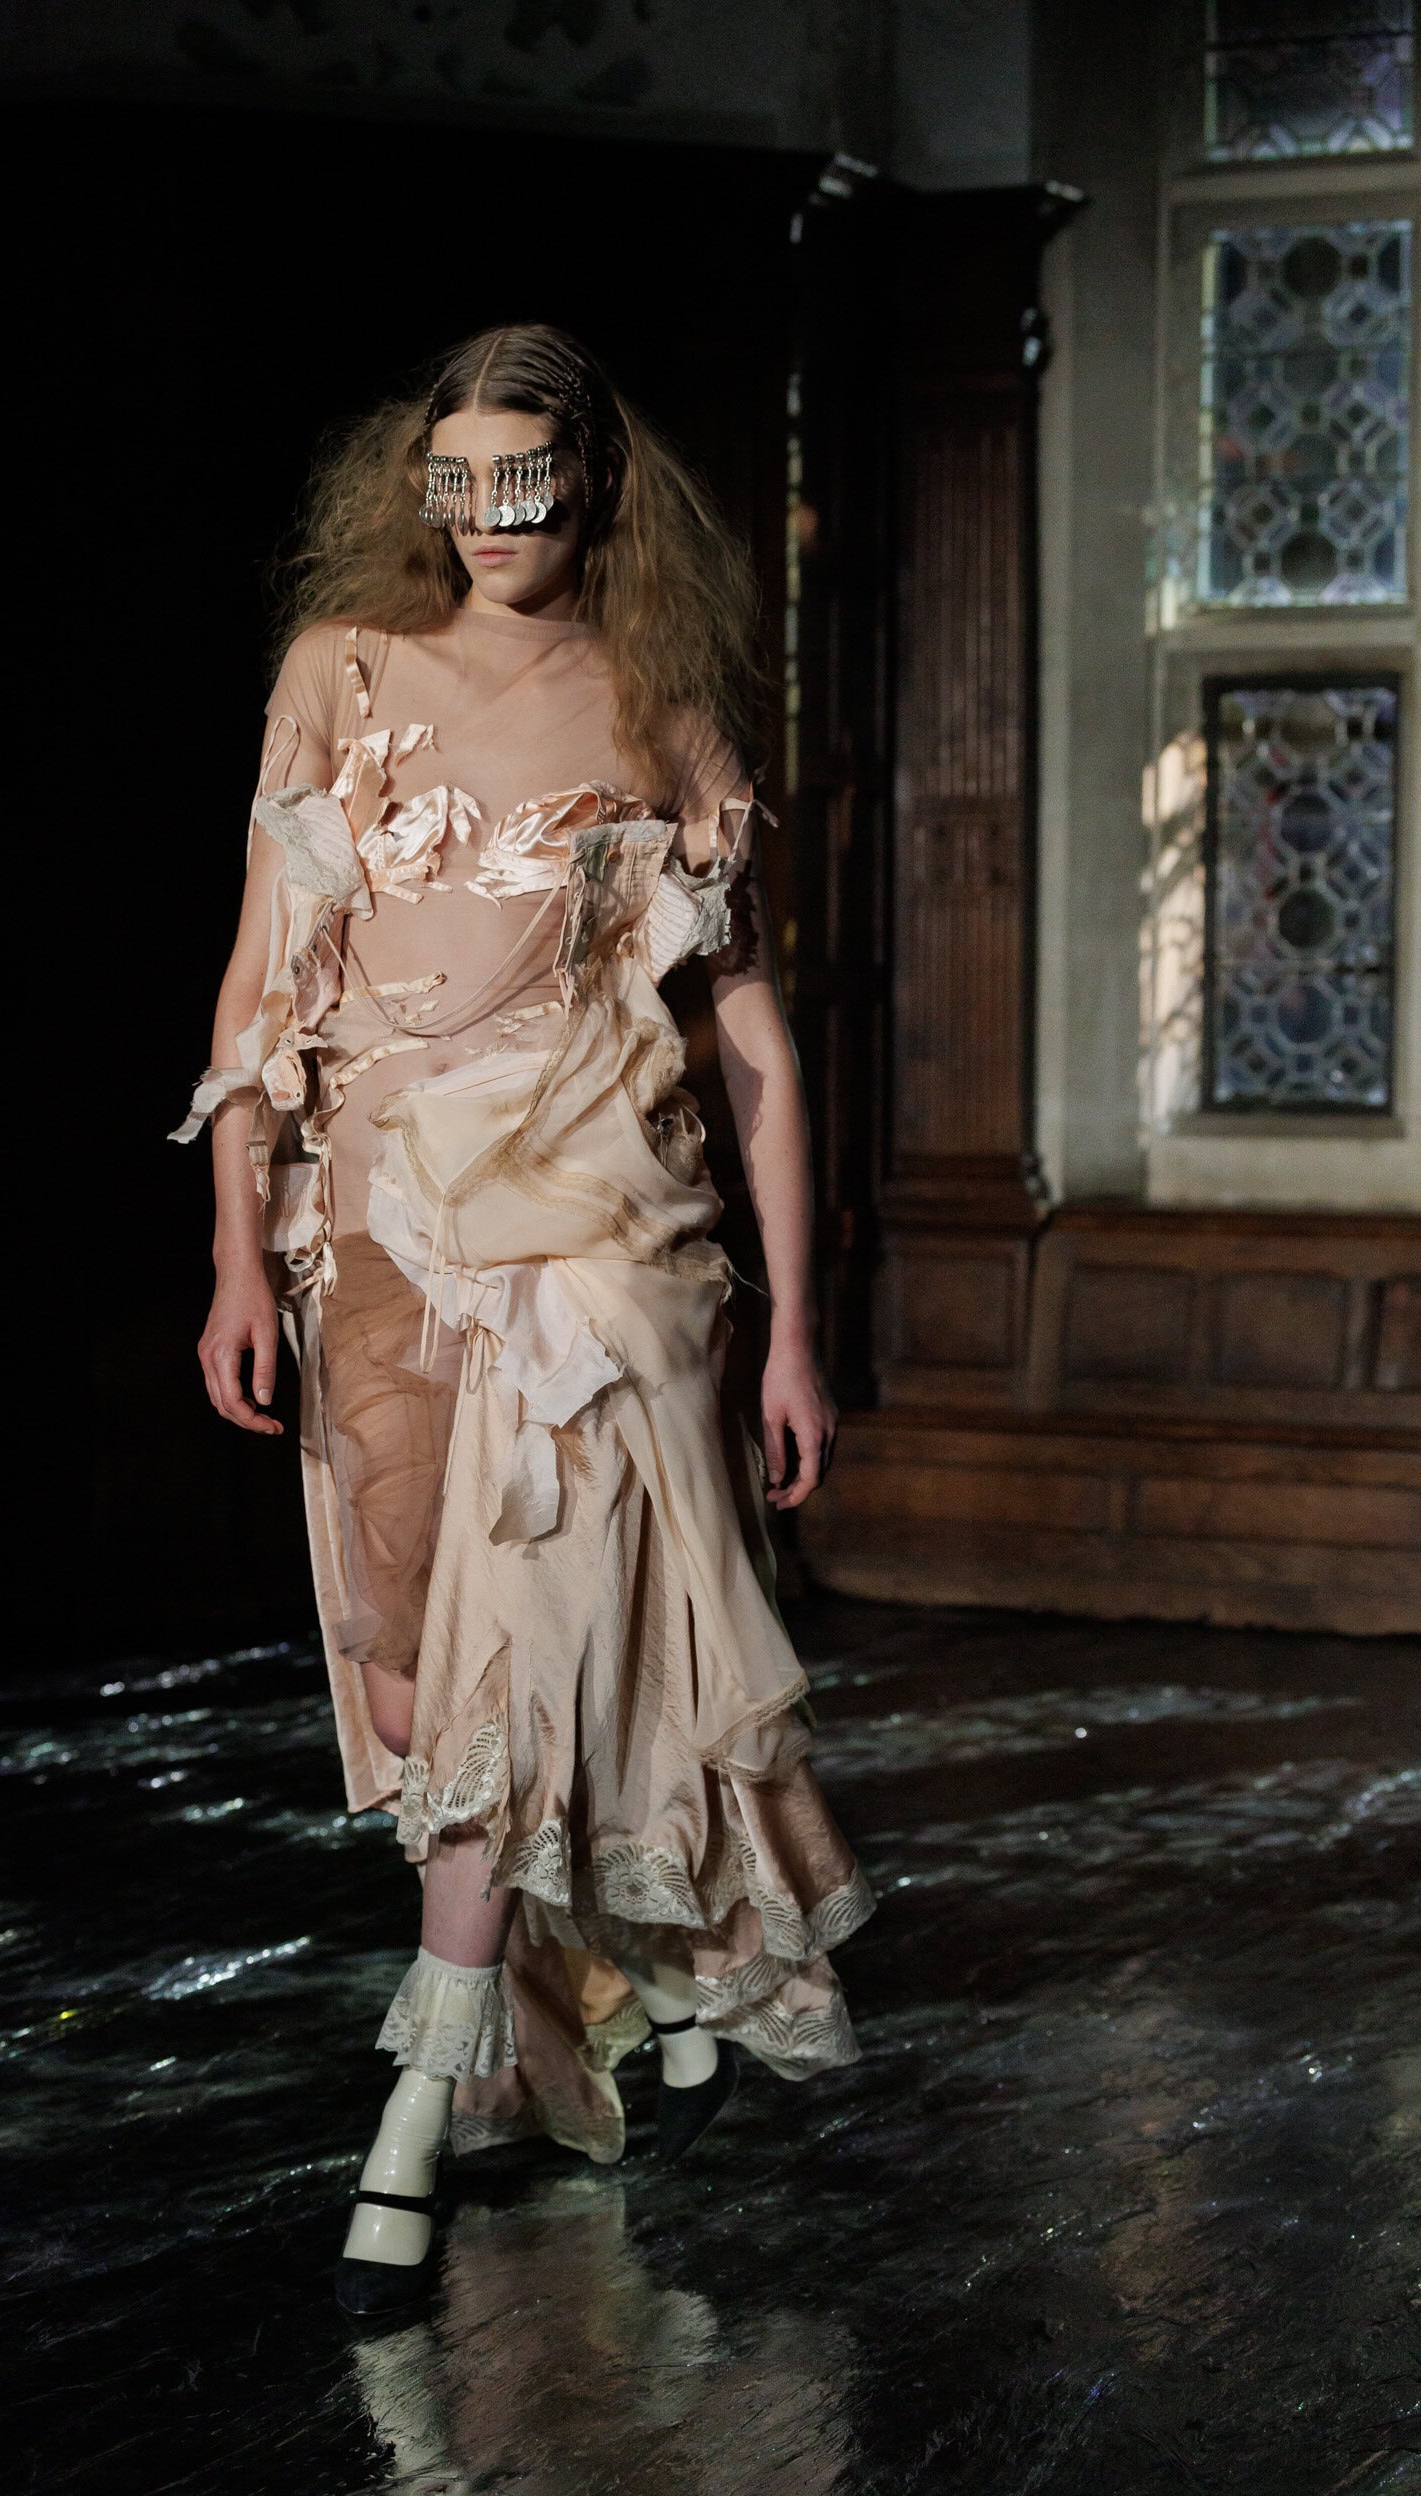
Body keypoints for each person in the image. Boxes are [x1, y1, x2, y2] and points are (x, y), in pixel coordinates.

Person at [175, 324, 873, 2316]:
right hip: (373, 1226)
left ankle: (409, 2124)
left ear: (594, 486)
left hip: (596, 1235)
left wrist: (796, 1331)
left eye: (527, 480)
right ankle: (661, 1976)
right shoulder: (340, 672)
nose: (492, 517)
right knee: (415, 1701)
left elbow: (753, 1044)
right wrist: (233, 1251)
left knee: (515, 1663)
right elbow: (260, 979)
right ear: (422, 492)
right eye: (457, 482)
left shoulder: (659, 706)